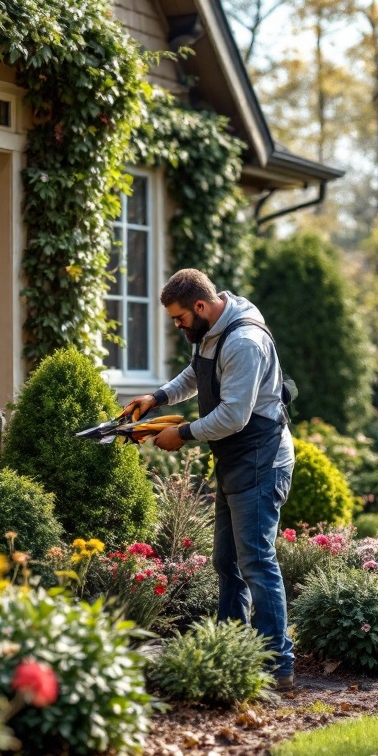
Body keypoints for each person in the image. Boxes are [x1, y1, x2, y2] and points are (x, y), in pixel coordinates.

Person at [124, 268, 295, 689]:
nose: (179, 326)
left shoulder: (243, 341)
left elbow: (235, 415)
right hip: (237, 459)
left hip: (261, 458)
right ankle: (233, 650)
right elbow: (197, 375)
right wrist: (157, 397)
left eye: (180, 318)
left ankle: (278, 665)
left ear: (200, 306)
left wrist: (180, 433)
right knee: (226, 560)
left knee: (255, 561)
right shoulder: (212, 328)